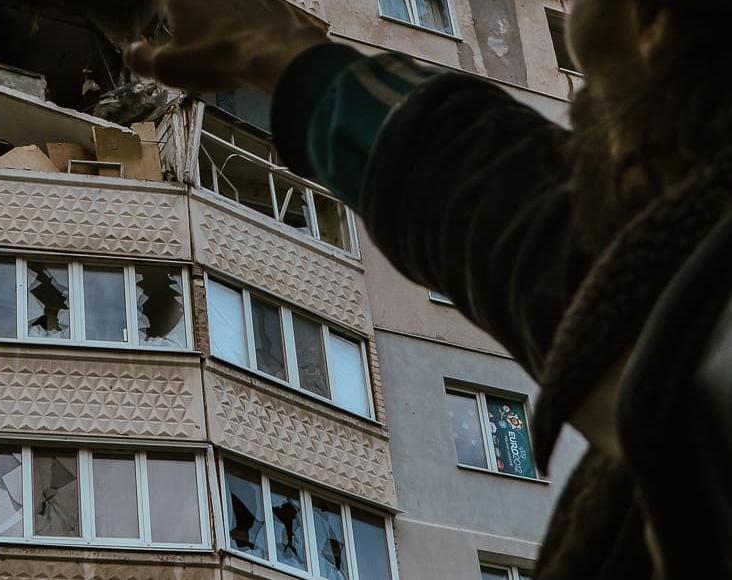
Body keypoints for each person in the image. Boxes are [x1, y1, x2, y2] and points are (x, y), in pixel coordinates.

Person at [125, 1, 732, 578]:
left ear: (653, 21)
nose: (576, 87)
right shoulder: (651, 485)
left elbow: (576, 261)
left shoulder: (685, 400)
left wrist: (287, 59)